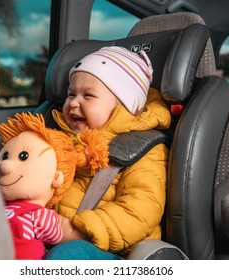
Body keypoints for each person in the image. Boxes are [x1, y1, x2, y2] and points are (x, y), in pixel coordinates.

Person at [45, 46, 171, 260]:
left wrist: (78, 232)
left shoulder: (144, 149)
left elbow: (140, 210)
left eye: (88, 95)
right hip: (53, 233)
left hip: (110, 248)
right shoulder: (60, 137)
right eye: (70, 94)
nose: (74, 102)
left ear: (124, 105)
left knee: (67, 255)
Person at [0, 112, 109, 259]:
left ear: (56, 178)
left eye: (24, 157)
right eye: (5, 156)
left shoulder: (37, 216)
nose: (5, 165)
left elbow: (64, 231)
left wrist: (92, 234)